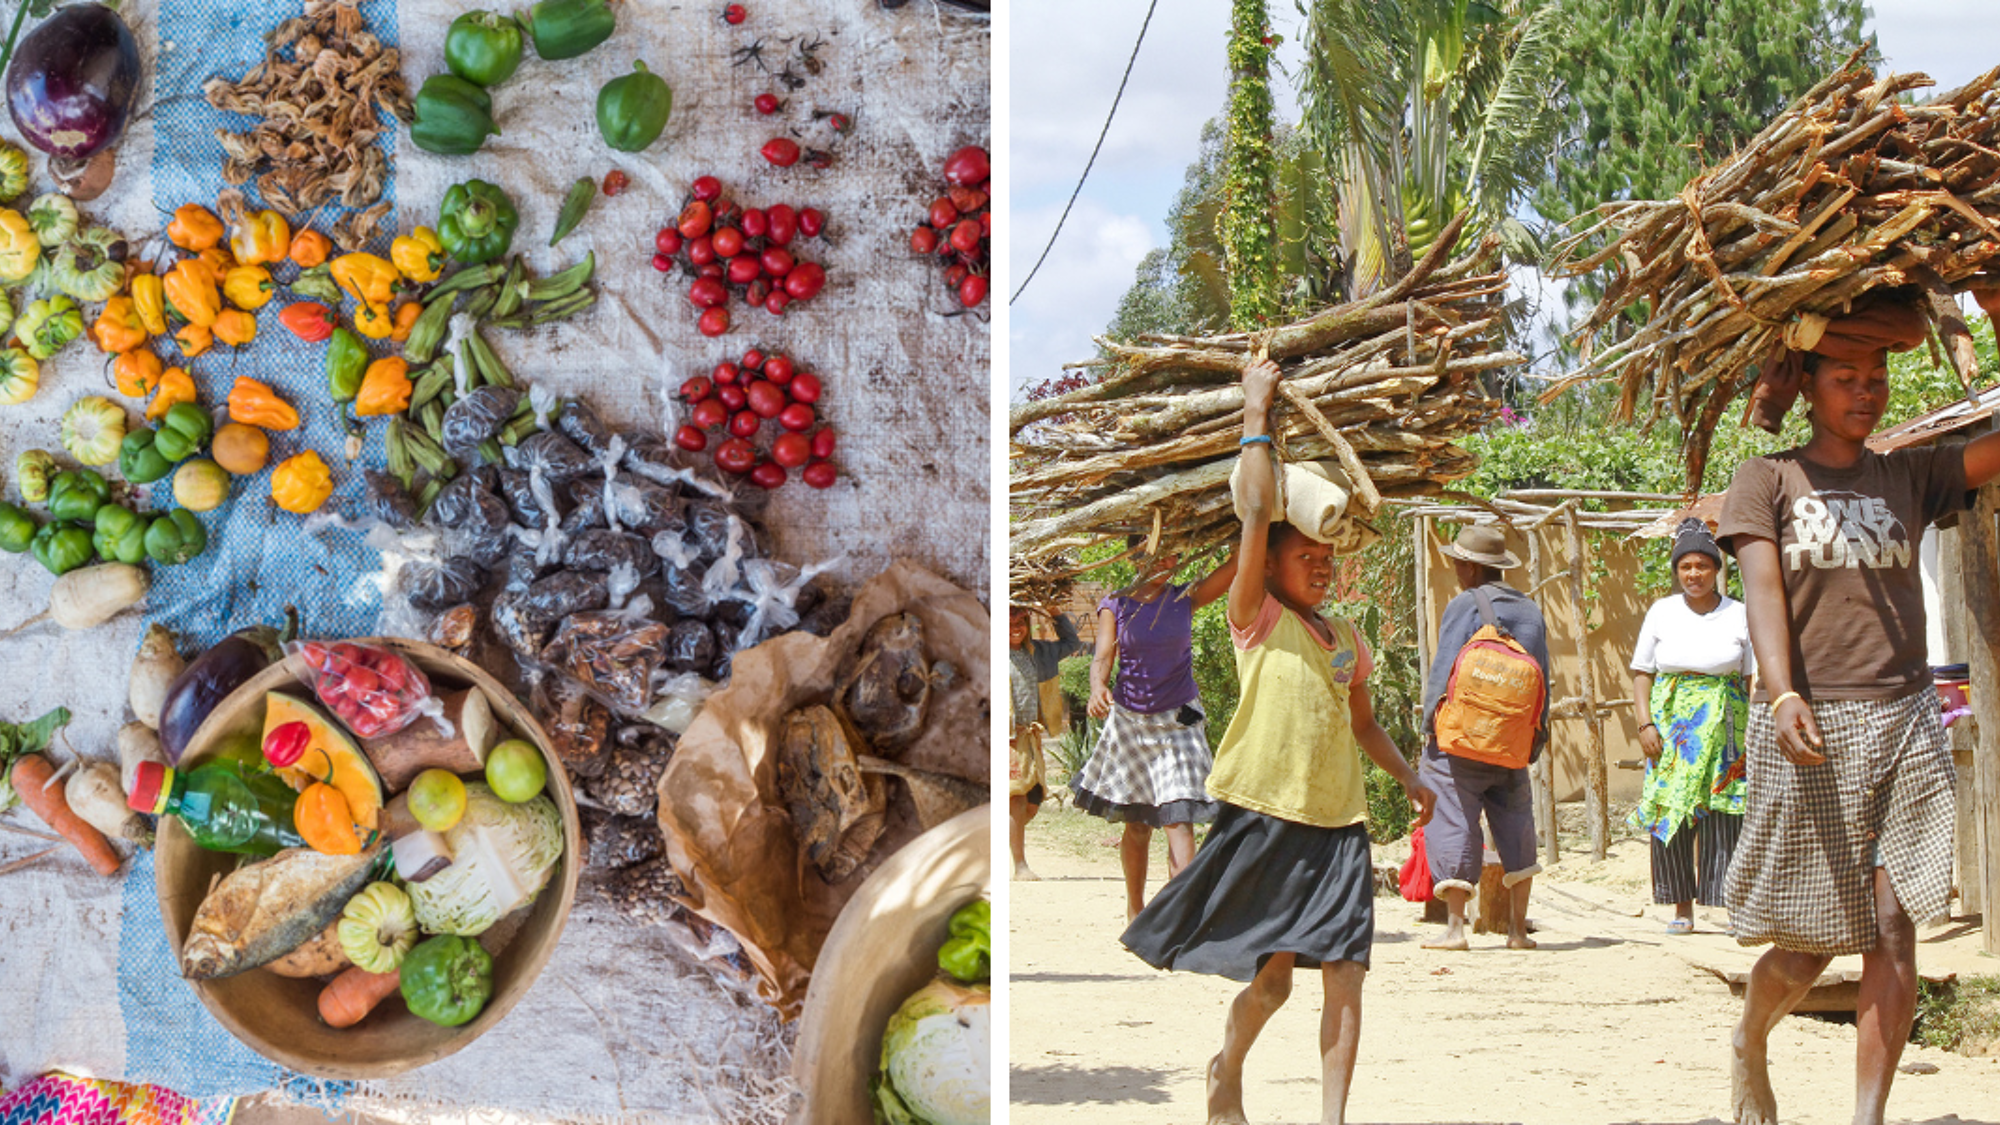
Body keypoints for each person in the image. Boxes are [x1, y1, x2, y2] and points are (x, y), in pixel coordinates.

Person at [1122, 356, 1434, 1125]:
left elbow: (1362, 722)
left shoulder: (1349, 638)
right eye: (1309, 558)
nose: (1322, 569)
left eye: (1329, 560)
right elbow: (1255, 515)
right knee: (1272, 984)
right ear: (1276, 564)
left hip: (1340, 829)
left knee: (1348, 977)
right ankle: (1225, 1067)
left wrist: (1409, 778)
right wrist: (1256, 413)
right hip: (1266, 815)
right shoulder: (1255, 616)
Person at [1718, 287, 2000, 1125]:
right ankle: (1749, 1036)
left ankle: (1866, 1118)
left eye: (1877, 372)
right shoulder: (1765, 479)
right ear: (1807, 385)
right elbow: (1763, 593)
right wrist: (1782, 691)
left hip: (1908, 716)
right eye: (1846, 372)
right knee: (1807, 949)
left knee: (1895, 922)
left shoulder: (1910, 474)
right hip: (1810, 724)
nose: (1867, 389)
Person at [1071, 537, 1235, 919]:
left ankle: (1183, 917)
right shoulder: (1117, 603)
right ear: (1133, 557)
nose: (1166, 562)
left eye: (1172, 553)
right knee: (1139, 824)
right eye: (1154, 554)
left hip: (1179, 721)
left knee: (1179, 818)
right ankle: (1135, 909)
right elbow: (1103, 656)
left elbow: (1236, 563)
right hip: (1130, 723)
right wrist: (1098, 687)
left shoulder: (1185, 598)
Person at [1419, 524, 1551, 952]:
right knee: (1516, 822)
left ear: (1470, 568)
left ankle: (1456, 929)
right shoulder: (1531, 612)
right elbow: (1543, 679)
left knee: (1454, 816)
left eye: (1458, 562)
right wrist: (1534, 739)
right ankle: (1515, 931)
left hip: (1459, 743)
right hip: (1511, 742)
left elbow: (1444, 671)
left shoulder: (1463, 606)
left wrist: (1428, 728)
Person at [1628, 517, 1753, 935]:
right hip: (1672, 729)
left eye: (1702, 566)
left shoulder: (1740, 613)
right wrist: (1645, 723)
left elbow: (1752, 678)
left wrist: (1752, 731)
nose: (1694, 574)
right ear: (1677, 571)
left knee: (1727, 813)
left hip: (1727, 725)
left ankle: (1732, 907)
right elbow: (1642, 672)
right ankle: (1682, 908)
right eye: (1686, 567)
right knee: (1673, 810)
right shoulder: (1662, 612)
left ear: (1717, 570)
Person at [1009, 605, 1089, 881]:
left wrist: (1055, 614)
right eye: (1008, 622)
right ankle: (1019, 865)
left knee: (1032, 801)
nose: (1016, 628)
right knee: (1015, 799)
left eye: (1021, 621)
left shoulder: (1040, 653)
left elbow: (1071, 643)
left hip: (1031, 738)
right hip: (1004, 740)